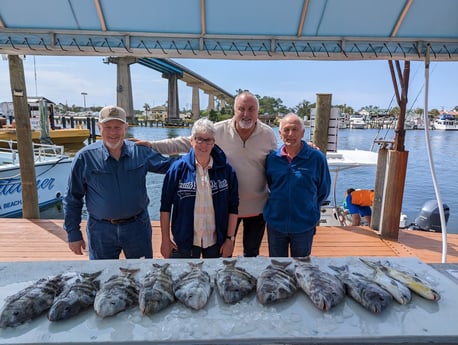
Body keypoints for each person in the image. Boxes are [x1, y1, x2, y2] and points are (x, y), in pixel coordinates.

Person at [134, 91, 277, 257]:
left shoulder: (268, 134)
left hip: (256, 207)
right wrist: (152, 145)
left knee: (252, 252)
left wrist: (304, 148)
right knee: (224, 254)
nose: (246, 114)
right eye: (241, 109)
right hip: (224, 207)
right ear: (234, 110)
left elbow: (279, 157)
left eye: (251, 109)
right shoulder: (217, 131)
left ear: (257, 111)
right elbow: (184, 142)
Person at [63, 105, 174, 260]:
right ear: (99, 127)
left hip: (137, 228)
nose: (113, 132)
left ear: (125, 128)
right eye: (107, 127)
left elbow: (172, 167)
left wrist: (201, 156)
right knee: (103, 276)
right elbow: (72, 198)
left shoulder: (139, 151)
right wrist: (73, 233)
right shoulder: (84, 157)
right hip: (101, 229)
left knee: (142, 275)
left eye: (117, 127)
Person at [160, 118, 239, 259]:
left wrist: (229, 239)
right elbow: (165, 207)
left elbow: (233, 207)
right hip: (185, 241)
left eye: (208, 140)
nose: (204, 145)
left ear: (214, 142)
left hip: (216, 241)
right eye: (199, 139)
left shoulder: (226, 171)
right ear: (191, 141)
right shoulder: (177, 169)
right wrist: (165, 239)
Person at [264, 113, 331, 257]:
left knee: (302, 267)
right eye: (286, 130)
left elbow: (323, 190)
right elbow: (270, 184)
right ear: (280, 133)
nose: (290, 134)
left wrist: (308, 208)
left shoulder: (317, 158)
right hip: (276, 224)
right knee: (277, 267)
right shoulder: (272, 159)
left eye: (295, 130)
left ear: (302, 133)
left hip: (304, 224)